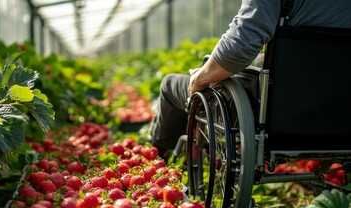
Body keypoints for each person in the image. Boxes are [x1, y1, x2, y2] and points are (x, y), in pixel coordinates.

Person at [150, 0, 351, 157]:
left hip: (278, 113)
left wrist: (200, 78)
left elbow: (241, 45)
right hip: (341, 115)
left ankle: (156, 159)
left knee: (170, 84)